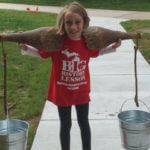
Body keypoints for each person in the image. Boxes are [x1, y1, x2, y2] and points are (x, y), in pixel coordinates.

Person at [19, 1, 121, 150]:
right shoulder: (57, 43)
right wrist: (26, 48)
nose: (73, 27)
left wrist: (113, 47)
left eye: (77, 22)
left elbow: (98, 52)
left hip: (81, 91)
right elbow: (42, 54)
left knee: (83, 123)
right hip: (63, 93)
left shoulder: (87, 42)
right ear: (63, 24)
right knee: (65, 125)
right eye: (68, 23)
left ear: (84, 22)